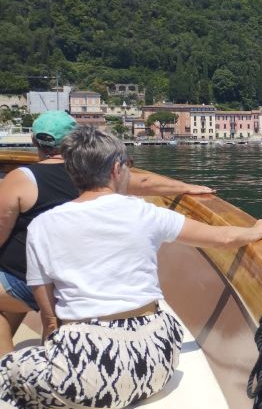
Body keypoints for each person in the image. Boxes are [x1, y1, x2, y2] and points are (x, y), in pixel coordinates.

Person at [0, 126, 262, 409]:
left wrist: (60, 335)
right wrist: (256, 230)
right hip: (155, 360)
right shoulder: (143, 213)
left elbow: (48, 311)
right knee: (73, 373)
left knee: (13, 373)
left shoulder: (43, 226)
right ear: (117, 169)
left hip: (88, 366)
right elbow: (221, 238)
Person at [0, 111, 214, 355]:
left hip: (35, 283)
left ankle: (5, 371)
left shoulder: (22, 179)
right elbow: (145, 183)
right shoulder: (97, 172)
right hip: (82, 283)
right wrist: (187, 187)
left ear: (35, 142)